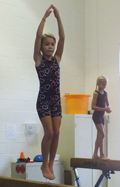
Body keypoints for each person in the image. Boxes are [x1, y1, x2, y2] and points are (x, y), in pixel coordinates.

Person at [33, 5, 65, 180]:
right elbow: (38, 36)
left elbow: (62, 38)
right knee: (50, 133)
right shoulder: (38, 60)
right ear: (42, 47)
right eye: (47, 44)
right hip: (44, 100)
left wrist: (59, 18)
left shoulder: (57, 60)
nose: (51, 47)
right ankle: (44, 164)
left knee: (57, 133)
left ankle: (51, 163)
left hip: (55, 101)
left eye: (52, 44)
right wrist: (45, 18)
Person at [92, 76, 112, 160]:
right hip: (96, 116)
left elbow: (108, 104)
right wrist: (104, 109)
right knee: (102, 134)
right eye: (103, 84)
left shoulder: (105, 93)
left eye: (106, 84)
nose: (105, 86)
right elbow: (93, 107)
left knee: (100, 135)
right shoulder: (96, 93)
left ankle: (97, 154)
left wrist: (109, 108)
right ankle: (100, 154)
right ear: (98, 84)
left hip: (102, 116)